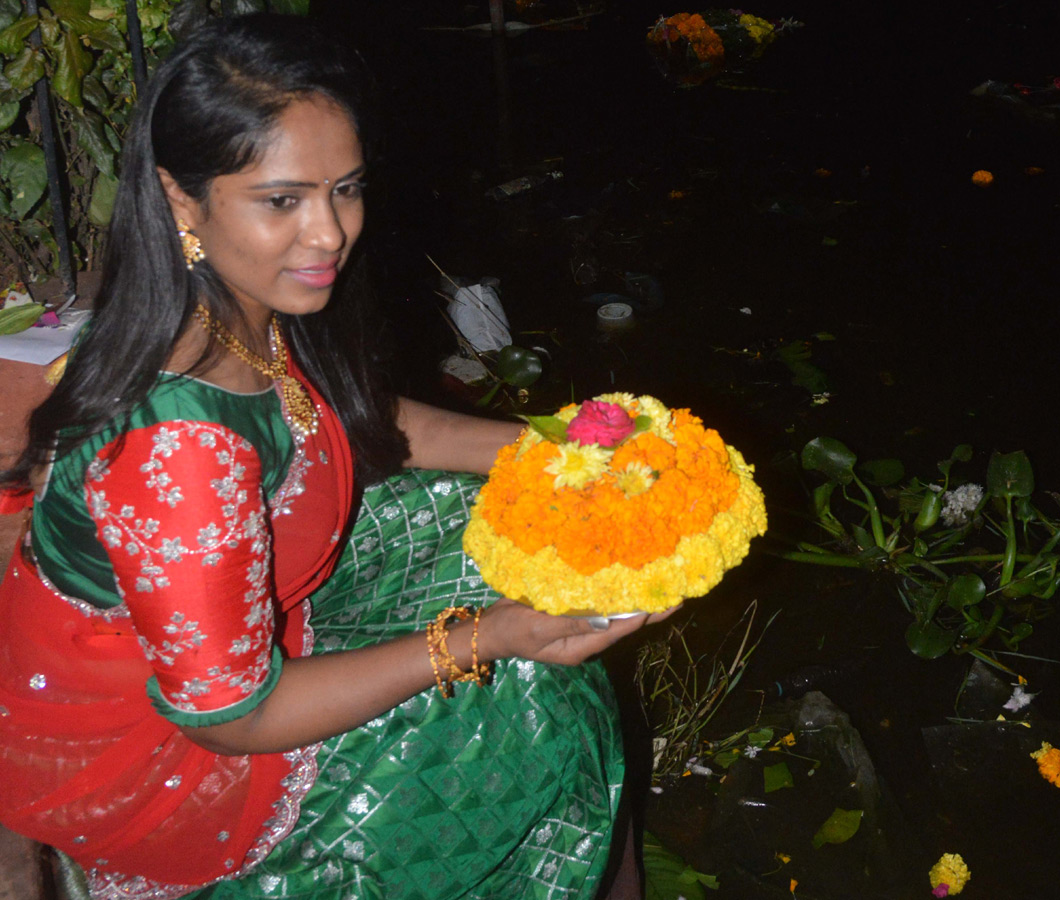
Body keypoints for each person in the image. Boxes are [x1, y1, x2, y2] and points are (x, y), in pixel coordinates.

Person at [0, 15, 668, 900]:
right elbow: (236, 717)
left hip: (239, 621)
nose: (329, 236)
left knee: (500, 512)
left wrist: (554, 445)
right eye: (282, 201)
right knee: (539, 703)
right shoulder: (181, 450)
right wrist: (487, 637)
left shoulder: (233, 303)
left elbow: (353, 421)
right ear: (180, 200)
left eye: (344, 190)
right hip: (169, 766)